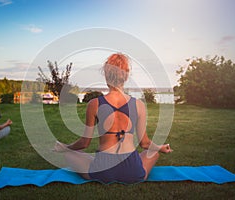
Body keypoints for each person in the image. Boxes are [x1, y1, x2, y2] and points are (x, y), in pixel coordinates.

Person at [54, 53, 172, 183]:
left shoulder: (94, 104)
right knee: (153, 153)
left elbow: (84, 143)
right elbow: (145, 144)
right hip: (132, 171)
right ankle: (130, 168)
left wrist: (65, 147)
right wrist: (160, 147)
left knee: (70, 154)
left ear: (106, 75)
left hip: (103, 169)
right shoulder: (139, 105)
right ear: (126, 76)